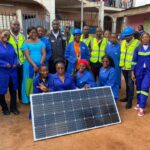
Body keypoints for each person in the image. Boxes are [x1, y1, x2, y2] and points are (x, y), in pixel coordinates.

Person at [21, 27, 46, 104]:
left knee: (38, 80)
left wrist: (40, 63)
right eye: (31, 32)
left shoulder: (41, 42)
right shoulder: (25, 43)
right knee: (28, 80)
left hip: (39, 64)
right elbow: (27, 55)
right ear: (28, 33)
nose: (33, 34)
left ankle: (37, 97)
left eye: (34, 32)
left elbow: (44, 54)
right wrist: (34, 65)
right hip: (29, 65)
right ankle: (27, 98)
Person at [119, 26, 139, 109]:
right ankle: (127, 98)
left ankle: (130, 101)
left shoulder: (137, 43)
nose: (126, 37)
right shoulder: (123, 42)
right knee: (127, 83)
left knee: (130, 84)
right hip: (124, 67)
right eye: (125, 35)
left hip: (131, 68)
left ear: (132, 35)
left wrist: (135, 68)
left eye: (128, 35)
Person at [0, 29, 19, 115]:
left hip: (12, 71)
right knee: (1, 90)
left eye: (8, 35)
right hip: (2, 72)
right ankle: (4, 108)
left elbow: (15, 56)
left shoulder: (10, 45)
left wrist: (15, 63)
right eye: (4, 35)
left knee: (13, 90)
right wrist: (4, 64)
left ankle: (13, 107)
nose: (6, 37)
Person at [132, 32, 150, 116]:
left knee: (144, 87)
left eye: (147, 37)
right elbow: (134, 61)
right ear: (141, 39)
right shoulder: (138, 48)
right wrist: (132, 72)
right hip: (138, 71)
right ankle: (139, 103)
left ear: (149, 38)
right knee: (138, 88)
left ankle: (142, 108)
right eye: (144, 37)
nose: (145, 39)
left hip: (148, 72)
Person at [9, 20, 25, 102]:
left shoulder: (22, 36)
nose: (16, 26)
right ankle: (13, 101)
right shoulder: (7, 36)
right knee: (12, 83)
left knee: (21, 81)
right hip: (12, 65)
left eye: (18, 25)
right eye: (14, 24)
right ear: (10, 25)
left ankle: (21, 97)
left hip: (22, 64)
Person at [106, 33, 121, 98]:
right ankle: (108, 94)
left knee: (116, 81)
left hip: (116, 67)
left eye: (114, 37)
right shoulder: (107, 45)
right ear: (109, 38)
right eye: (111, 37)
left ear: (117, 38)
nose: (113, 39)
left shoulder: (120, 46)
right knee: (109, 79)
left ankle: (115, 96)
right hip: (108, 67)